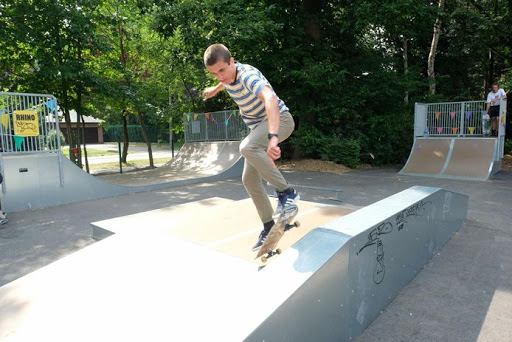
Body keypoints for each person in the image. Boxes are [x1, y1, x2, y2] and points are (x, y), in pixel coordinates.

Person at [202, 43, 299, 251]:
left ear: (232, 62)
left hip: (280, 120)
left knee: (247, 146)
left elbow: (270, 99)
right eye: (213, 73)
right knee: (249, 180)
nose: (220, 76)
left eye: (222, 70)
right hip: (260, 127)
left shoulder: (247, 77)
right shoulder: (226, 77)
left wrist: (273, 138)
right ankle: (268, 225)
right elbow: (225, 81)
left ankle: (287, 193)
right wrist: (214, 89)